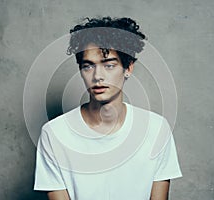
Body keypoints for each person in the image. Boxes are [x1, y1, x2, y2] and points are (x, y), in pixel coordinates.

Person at [34, 17, 182, 200]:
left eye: (109, 65)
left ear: (128, 68)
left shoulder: (156, 128)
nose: (98, 76)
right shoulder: (55, 133)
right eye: (88, 66)